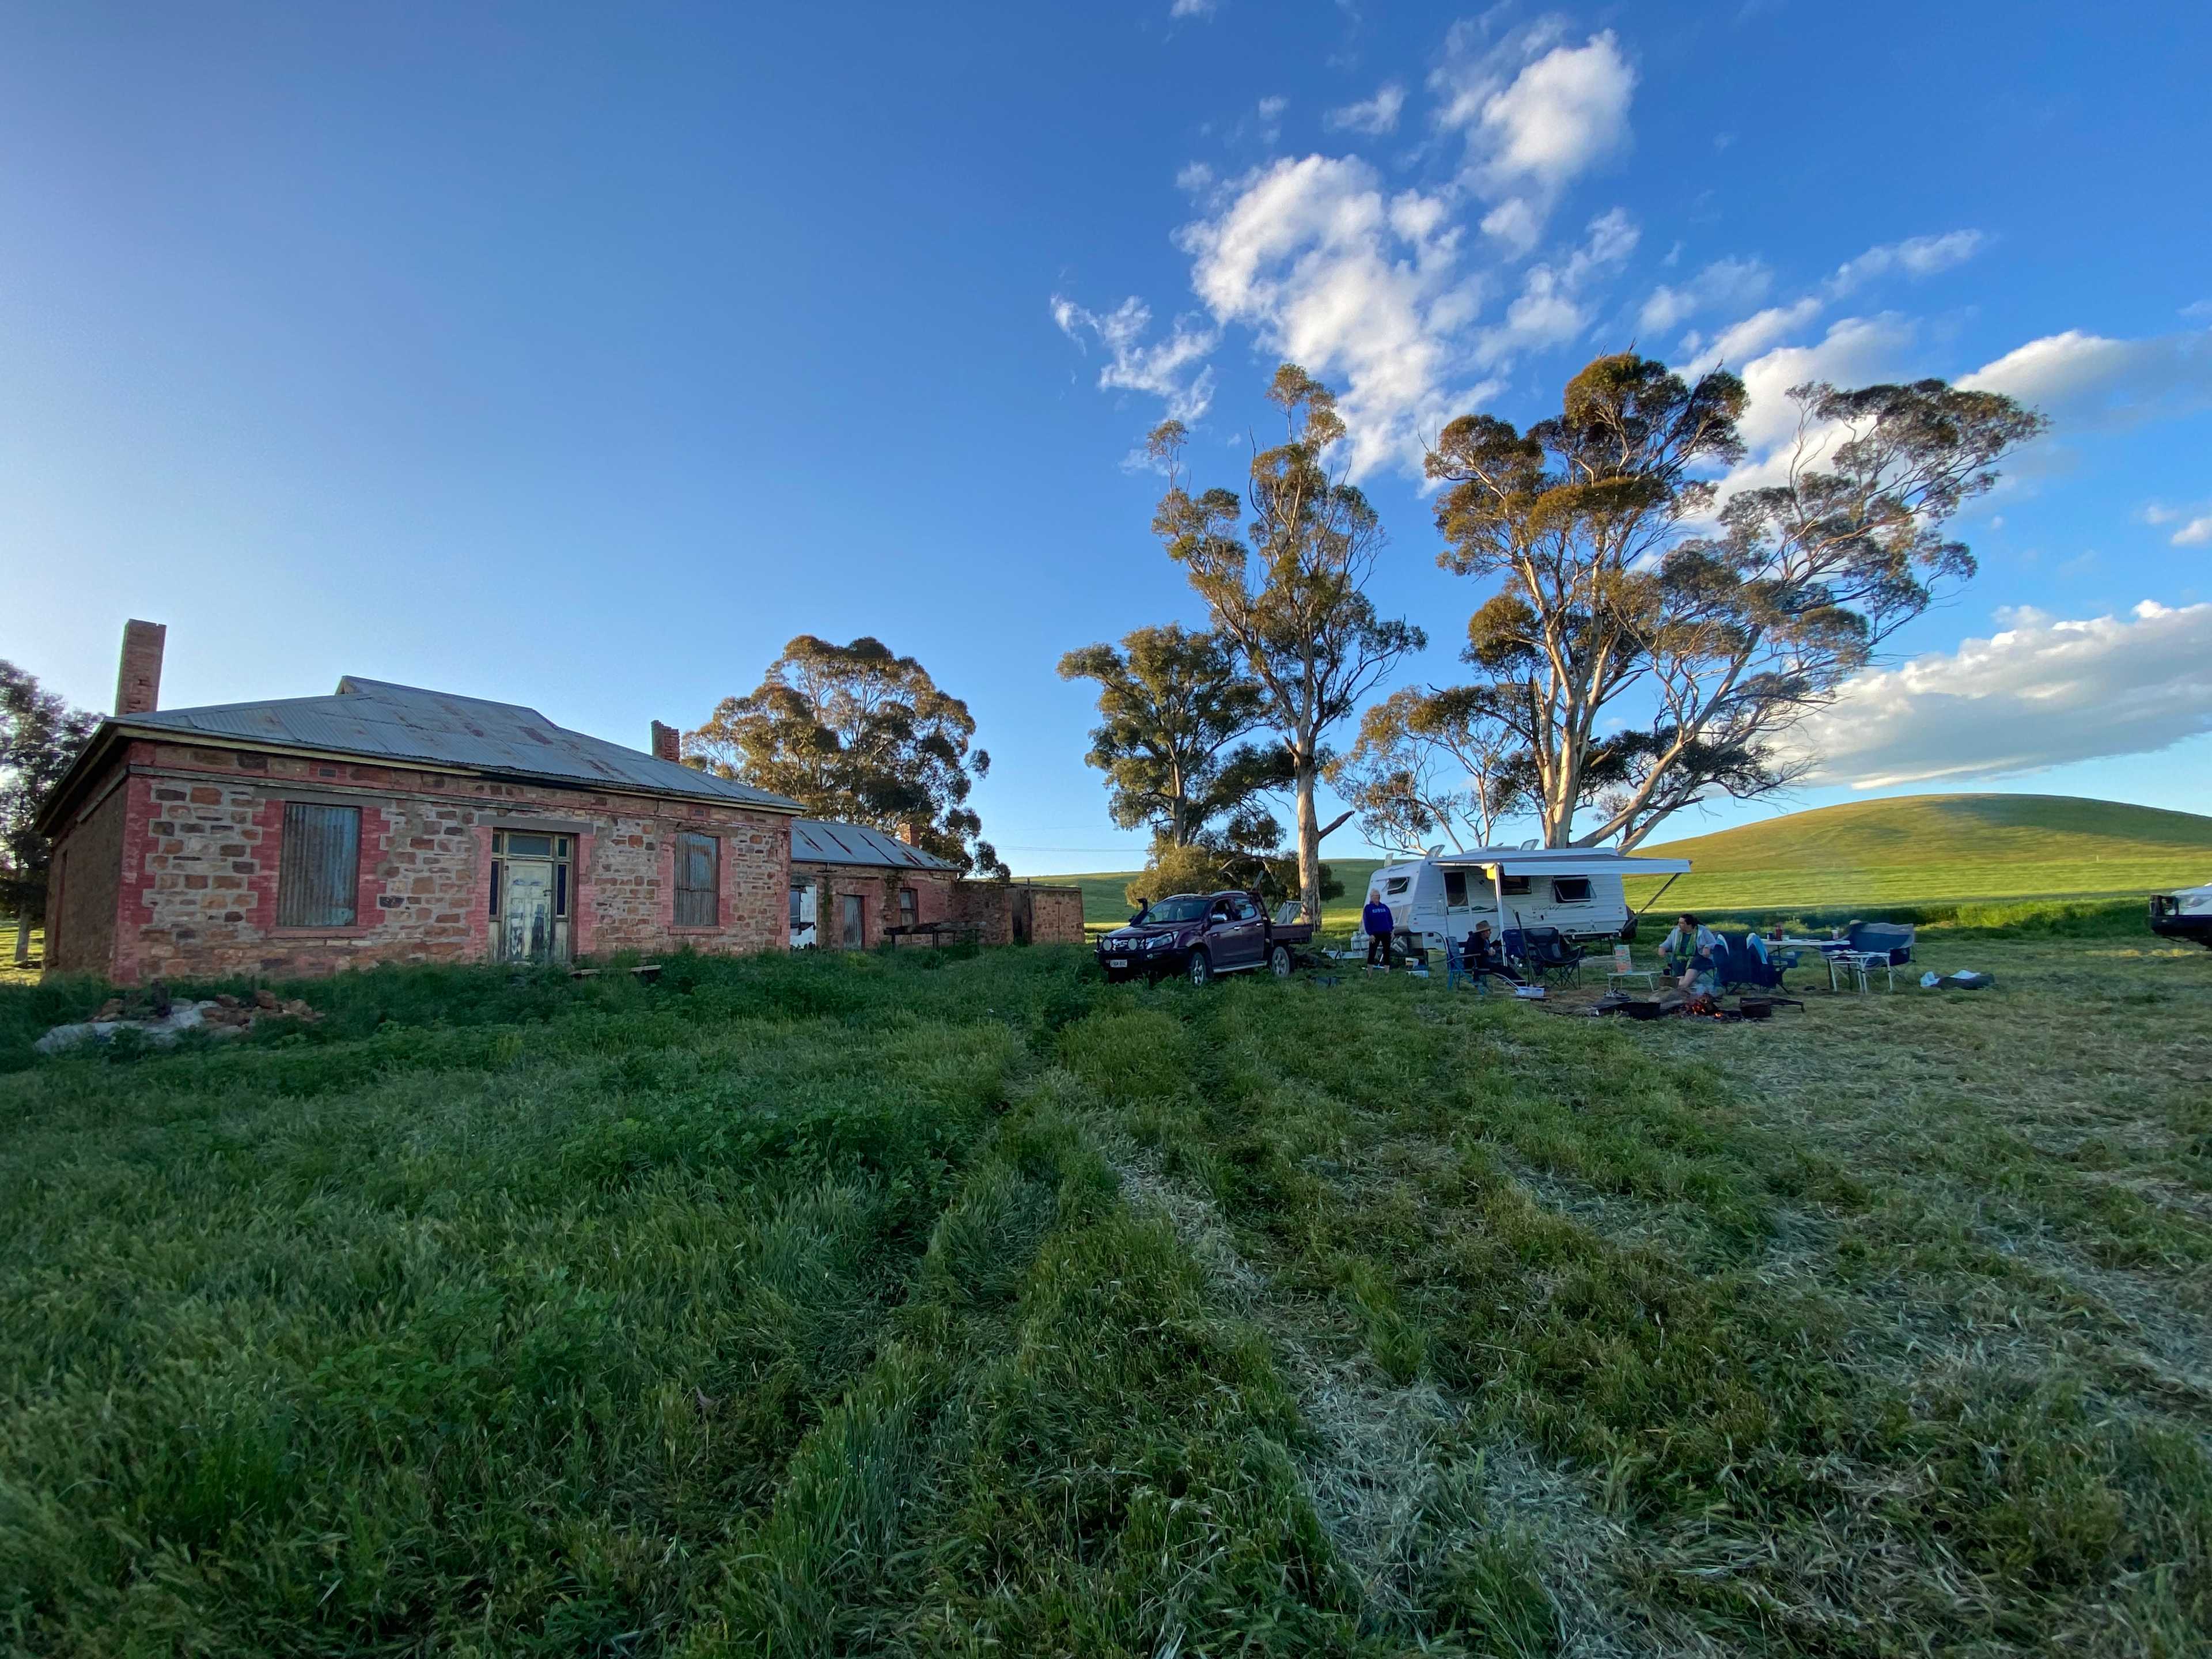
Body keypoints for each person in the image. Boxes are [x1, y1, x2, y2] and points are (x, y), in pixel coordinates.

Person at [1660, 912, 1722, 992]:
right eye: (1679, 923)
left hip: (1699, 958)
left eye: (1682, 923)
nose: (1679, 925)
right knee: (1677, 960)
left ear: (1689, 925)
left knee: (1695, 961)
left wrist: (1707, 947)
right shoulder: (1676, 931)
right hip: (1681, 957)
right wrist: (1662, 947)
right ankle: (1682, 987)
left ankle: (1683, 986)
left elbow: (1714, 943)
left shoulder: (1702, 931)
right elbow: (1667, 943)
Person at [1461, 920, 1522, 984]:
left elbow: (1488, 948)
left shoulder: (1485, 939)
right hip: (1474, 965)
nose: (1490, 932)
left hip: (1482, 963)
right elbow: (1473, 952)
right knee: (1502, 970)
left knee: (1506, 968)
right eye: (1489, 931)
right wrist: (1487, 953)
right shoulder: (1474, 939)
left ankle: (1522, 982)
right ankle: (1519, 985)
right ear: (1483, 932)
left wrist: (1492, 950)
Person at [1362, 892, 1397, 968]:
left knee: (1387, 952)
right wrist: (1370, 934)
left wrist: (1392, 931)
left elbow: (1390, 919)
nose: (1377, 897)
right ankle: (1370, 972)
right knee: (1372, 952)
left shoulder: (1384, 907)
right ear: (1371, 897)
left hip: (1386, 932)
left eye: (1378, 896)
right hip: (1375, 934)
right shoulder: (1368, 908)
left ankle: (1387, 971)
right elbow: (1366, 921)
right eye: (1375, 896)